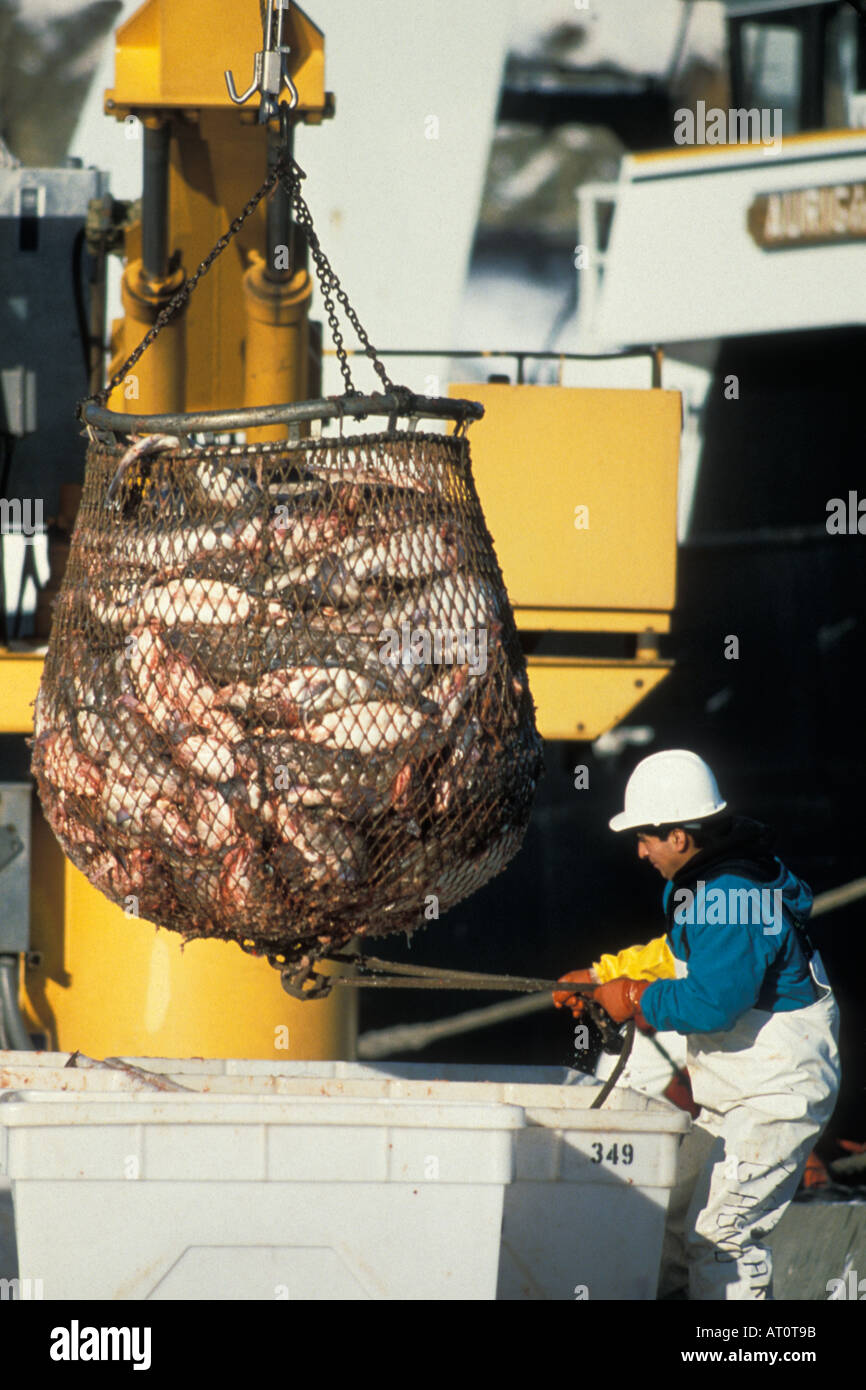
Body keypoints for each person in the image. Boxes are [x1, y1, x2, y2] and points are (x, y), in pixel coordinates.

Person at [555, 749, 840, 1301]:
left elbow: (713, 1002)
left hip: (774, 1098)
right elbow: (683, 954)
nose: (640, 852)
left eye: (645, 838)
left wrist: (633, 998)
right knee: (664, 1220)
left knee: (722, 1235)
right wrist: (601, 976)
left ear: (680, 837)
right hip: (737, 1093)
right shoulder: (710, 884)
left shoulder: (733, 896)